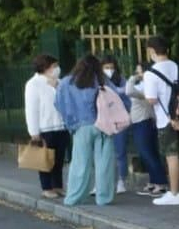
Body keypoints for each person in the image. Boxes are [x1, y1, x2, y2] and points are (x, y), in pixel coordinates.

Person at [144, 37, 179, 207]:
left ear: (151, 51)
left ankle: (174, 193)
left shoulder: (151, 73)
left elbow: (151, 99)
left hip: (166, 121)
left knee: (171, 156)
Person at [55, 55, 117, 207]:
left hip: (80, 127)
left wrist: (71, 123)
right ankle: (104, 198)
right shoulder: (102, 81)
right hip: (103, 126)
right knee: (104, 164)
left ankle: (74, 197)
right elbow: (117, 99)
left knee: (80, 164)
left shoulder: (66, 83)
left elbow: (58, 104)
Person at [23, 55, 67, 198]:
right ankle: (47, 187)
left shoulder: (59, 83)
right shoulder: (33, 84)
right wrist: (34, 132)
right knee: (45, 159)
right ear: (45, 67)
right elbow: (31, 109)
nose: (56, 69)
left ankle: (58, 186)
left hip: (61, 126)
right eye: (54, 66)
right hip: (45, 128)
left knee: (59, 159)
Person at [125, 61, 170, 196]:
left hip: (144, 122)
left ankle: (160, 183)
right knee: (147, 153)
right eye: (137, 72)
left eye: (140, 72)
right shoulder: (143, 86)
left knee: (148, 153)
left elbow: (128, 91)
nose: (139, 75)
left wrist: (133, 78)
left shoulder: (147, 88)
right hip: (139, 122)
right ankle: (154, 181)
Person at [100, 56, 131, 195]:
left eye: (111, 68)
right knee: (103, 152)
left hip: (119, 120)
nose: (109, 70)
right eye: (106, 68)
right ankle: (104, 181)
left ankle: (121, 181)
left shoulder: (121, 80)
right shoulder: (98, 81)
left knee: (120, 151)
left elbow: (127, 99)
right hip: (104, 120)